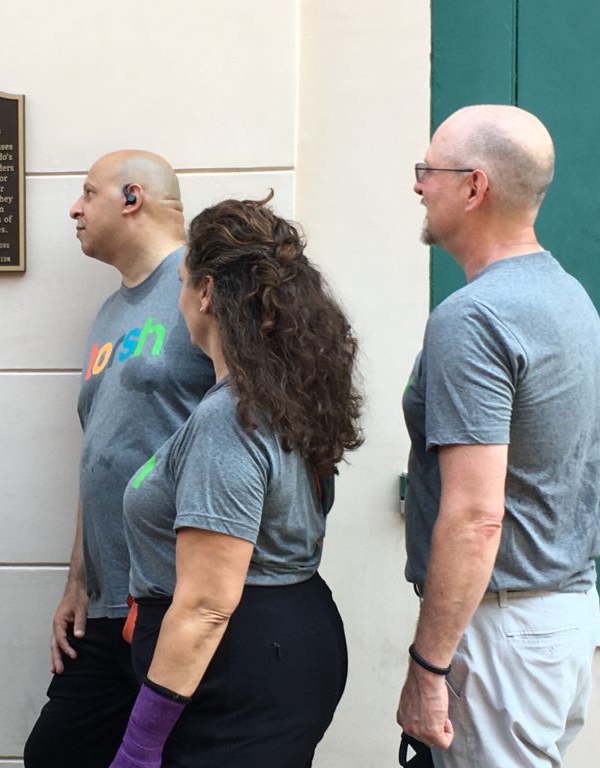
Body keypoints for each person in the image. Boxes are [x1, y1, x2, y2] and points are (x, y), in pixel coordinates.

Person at [110, 194, 363, 767]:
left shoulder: (231, 416)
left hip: (238, 660)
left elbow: (204, 606)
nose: (178, 299)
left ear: (205, 293)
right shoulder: (287, 397)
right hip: (286, 639)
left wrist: (138, 747)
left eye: (181, 282)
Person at [397, 105, 600, 767]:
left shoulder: (476, 317)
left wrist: (427, 669)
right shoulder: (567, 295)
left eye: (427, 170)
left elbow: (475, 517)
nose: (417, 186)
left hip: (500, 636)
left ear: (474, 186)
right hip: (560, 621)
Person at [23, 152, 215, 768]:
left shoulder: (204, 288)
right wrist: (78, 581)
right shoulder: (111, 312)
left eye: (88, 193)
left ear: (132, 198)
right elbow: (101, 450)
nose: (75, 209)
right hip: (108, 607)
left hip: (176, 600)